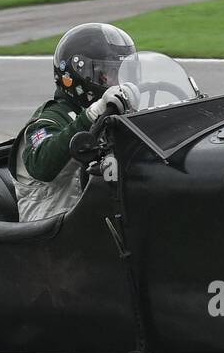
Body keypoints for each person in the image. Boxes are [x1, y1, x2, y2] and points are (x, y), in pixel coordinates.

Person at [14, 24, 140, 224]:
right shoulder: (48, 119)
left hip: (101, 224)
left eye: (123, 72)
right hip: (52, 238)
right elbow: (41, 165)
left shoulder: (114, 110)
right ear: (78, 74)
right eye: (109, 73)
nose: (119, 82)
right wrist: (93, 114)